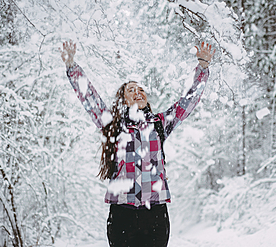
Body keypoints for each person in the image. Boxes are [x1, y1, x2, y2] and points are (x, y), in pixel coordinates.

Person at [60, 40, 215, 247]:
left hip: (156, 215)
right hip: (122, 214)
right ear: (123, 100)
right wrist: (72, 67)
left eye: (141, 90)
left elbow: (187, 102)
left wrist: (202, 68)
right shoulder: (112, 126)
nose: (138, 92)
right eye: (132, 90)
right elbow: (90, 99)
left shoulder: (160, 124)